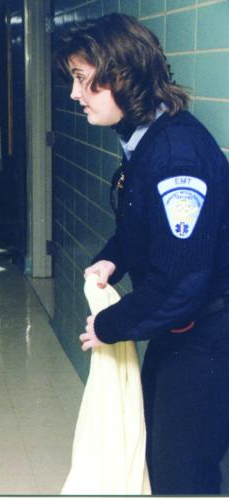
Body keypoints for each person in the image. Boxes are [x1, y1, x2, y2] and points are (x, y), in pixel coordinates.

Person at [57, 13, 229, 494]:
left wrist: (108, 326)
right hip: (180, 331)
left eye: (81, 80)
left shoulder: (177, 157)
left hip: (208, 339)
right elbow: (145, 228)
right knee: (161, 458)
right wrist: (114, 258)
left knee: (183, 474)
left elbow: (181, 284)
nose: (74, 94)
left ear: (120, 76)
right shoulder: (146, 137)